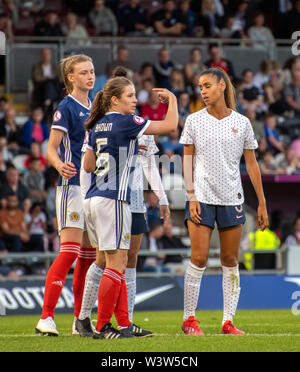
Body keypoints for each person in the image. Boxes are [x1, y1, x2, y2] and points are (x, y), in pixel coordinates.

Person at [82, 74, 178, 339]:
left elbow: (88, 165)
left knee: (117, 261)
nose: (135, 100)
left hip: (93, 198)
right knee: (115, 263)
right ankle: (102, 326)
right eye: (130, 96)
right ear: (115, 99)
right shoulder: (125, 122)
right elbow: (171, 125)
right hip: (113, 199)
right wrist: (173, 99)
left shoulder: (98, 124)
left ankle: (123, 323)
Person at [179, 67, 269, 335]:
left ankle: (228, 322)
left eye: (207, 85)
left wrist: (262, 203)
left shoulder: (242, 123)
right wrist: (191, 195)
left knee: (230, 259)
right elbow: (186, 160)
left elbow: (252, 165)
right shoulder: (194, 121)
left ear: (222, 86)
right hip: (202, 197)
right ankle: (189, 320)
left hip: (233, 198)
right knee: (199, 258)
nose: (203, 91)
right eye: (200, 87)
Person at [35, 54, 96, 337]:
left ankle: (79, 321)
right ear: (70, 77)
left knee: (88, 256)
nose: (90, 76)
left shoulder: (96, 107)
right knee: (69, 252)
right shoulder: (66, 107)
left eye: (92, 71)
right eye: (83, 72)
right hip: (72, 187)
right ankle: (46, 316)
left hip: (94, 188)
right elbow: (50, 148)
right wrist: (60, 164)